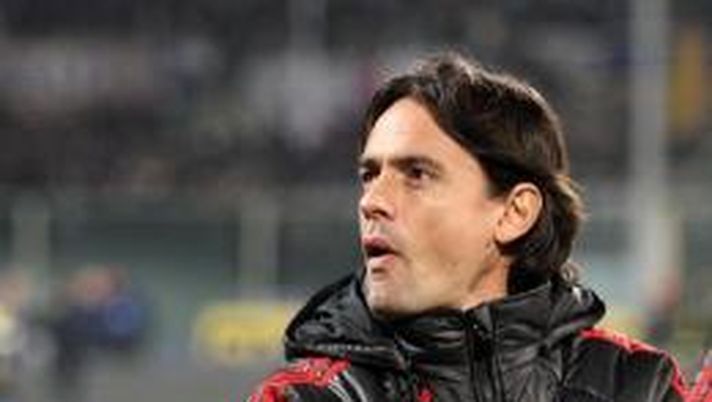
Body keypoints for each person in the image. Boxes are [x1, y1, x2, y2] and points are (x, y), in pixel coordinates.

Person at [247, 52, 689, 401]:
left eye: (416, 174)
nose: (371, 202)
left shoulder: (637, 386)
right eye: (370, 175)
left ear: (514, 213)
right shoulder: (309, 397)